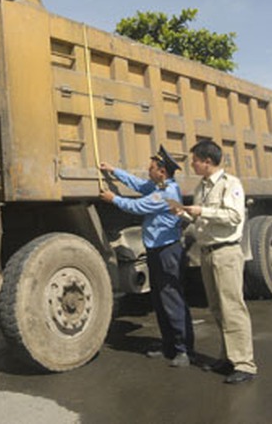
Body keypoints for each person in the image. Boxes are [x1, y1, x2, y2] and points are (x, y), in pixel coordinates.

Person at [99, 145, 194, 367]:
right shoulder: (159, 186)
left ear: (161, 171)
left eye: (151, 168)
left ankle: (183, 350)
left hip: (167, 250)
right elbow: (139, 185)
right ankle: (169, 346)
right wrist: (114, 171)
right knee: (160, 299)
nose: (147, 170)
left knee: (171, 299)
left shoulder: (167, 193)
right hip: (156, 249)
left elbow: (138, 206)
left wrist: (113, 198)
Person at [174, 139, 257, 384]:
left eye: (195, 160)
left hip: (226, 253)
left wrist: (203, 211)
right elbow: (203, 222)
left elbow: (233, 216)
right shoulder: (202, 187)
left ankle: (245, 364)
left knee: (233, 308)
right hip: (208, 252)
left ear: (207, 161)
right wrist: (186, 214)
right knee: (218, 308)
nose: (192, 164)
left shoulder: (230, 184)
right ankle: (228, 358)